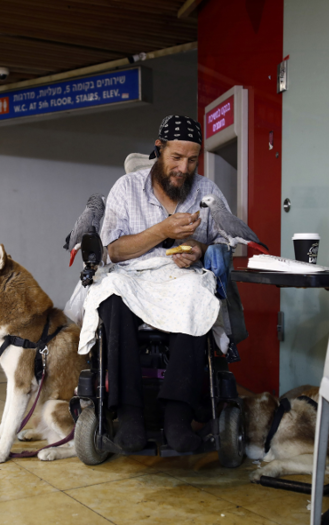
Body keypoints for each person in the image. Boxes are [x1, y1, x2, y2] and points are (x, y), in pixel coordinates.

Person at [98, 115, 231, 453]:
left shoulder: (207, 191)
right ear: (158, 149)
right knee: (113, 295)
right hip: (133, 277)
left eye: (191, 160)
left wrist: (199, 248)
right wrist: (163, 231)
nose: (183, 168)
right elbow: (112, 251)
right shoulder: (126, 189)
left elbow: (224, 244)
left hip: (182, 278)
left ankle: (177, 416)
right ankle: (130, 415)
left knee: (196, 294)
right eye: (176, 158)